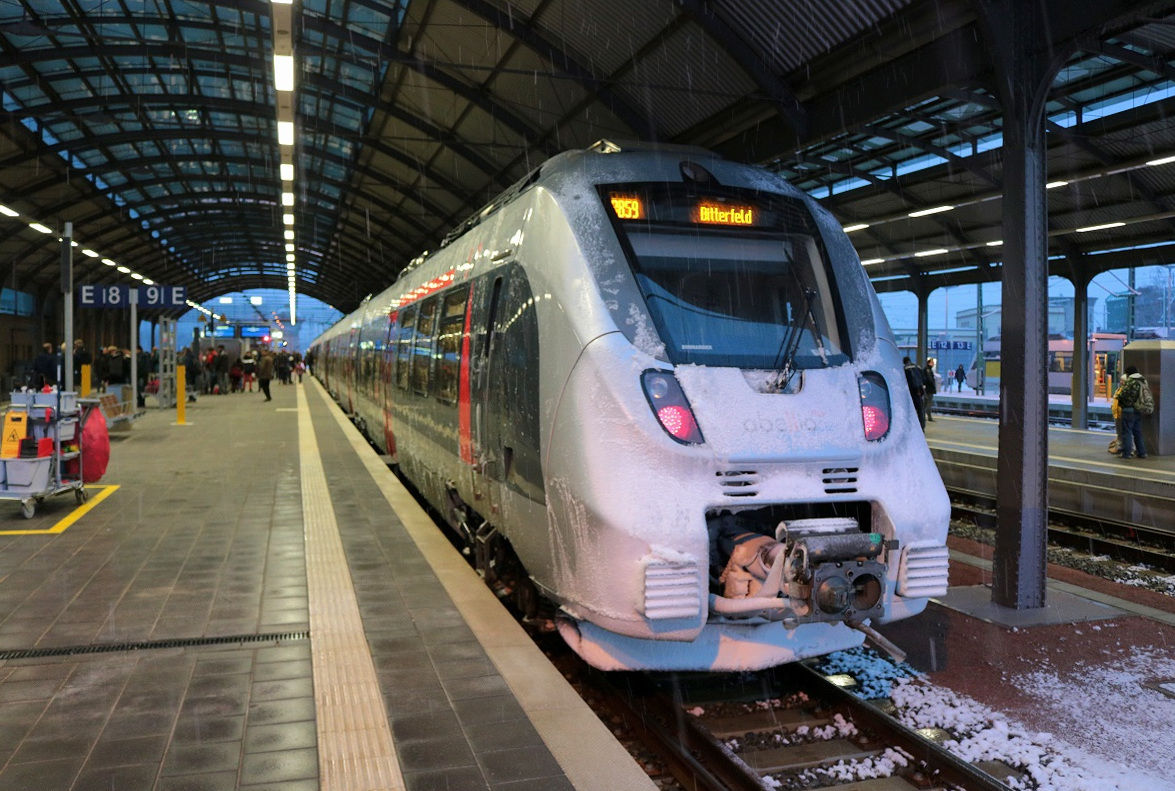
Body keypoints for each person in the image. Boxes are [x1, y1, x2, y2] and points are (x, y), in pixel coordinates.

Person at [1114, 365, 1152, 460]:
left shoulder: (1130, 381)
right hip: (1138, 409)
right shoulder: (1143, 380)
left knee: (1127, 431)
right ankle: (1142, 452)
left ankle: (1127, 453)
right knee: (1137, 432)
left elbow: (1122, 394)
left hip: (1128, 409)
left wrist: (1120, 398)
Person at [902, 356, 926, 429]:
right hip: (920, 390)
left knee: (909, 409)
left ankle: (910, 427)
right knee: (920, 409)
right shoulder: (918, 367)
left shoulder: (905, 369)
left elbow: (904, 381)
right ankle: (922, 426)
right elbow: (924, 378)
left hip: (911, 391)